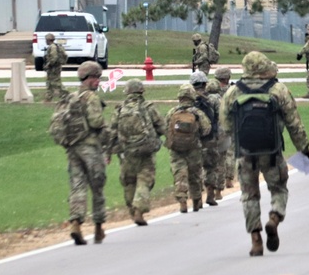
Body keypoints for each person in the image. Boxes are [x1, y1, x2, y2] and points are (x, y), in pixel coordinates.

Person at [221, 51, 309, 257]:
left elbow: (225, 127)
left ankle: (255, 240)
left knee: (249, 196)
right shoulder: (278, 89)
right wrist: (304, 149)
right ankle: (274, 218)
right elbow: (294, 124)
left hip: (244, 153)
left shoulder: (233, 93)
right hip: (272, 151)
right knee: (279, 188)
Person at [107, 79, 166, 226]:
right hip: (146, 151)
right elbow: (161, 126)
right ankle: (139, 208)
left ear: (127, 92)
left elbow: (112, 132)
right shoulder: (148, 107)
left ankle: (132, 210)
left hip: (126, 152)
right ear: (141, 91)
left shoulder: (119, 109)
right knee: (144, 180)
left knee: (129, 181)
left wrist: (107, 152)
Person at [66, 61, 108, 245]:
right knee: (97, 187)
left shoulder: (71, 97)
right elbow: (96, 122)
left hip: (73, 149)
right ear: (88, 78)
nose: (98, 81)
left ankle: (76, 223)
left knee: (77, 186)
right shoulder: (91, 98)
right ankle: (98, 228)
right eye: (96, 78)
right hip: (90, 148)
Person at [165, 83, 212, 214]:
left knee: (179, 174)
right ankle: (197, 201)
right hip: (194, 148)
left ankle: (182, 202)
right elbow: (207, 129)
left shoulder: (172, 112)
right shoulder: (197, 113)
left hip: (175, 149)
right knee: (195, 174)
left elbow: (165, 128)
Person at [190, 72, 223, 208]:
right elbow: (221, 117)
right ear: (205, 83)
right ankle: (210, 194)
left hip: (192, 140)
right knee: (211, 167)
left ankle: (196, 199)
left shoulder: (188, 98)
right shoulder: (214, 99)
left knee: (195, 169)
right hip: (210, 138)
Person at [213, 67, 236, 193]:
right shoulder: (232, 91)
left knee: (217, 154)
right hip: (230, 124)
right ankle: (229, 178)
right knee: (230, 153)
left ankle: (216, 179)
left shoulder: (212, 92)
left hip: (216, 126)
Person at [43, 33, 68, 103]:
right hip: (53, 67)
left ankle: (66, 95)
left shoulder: (52, 47)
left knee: (56, 83)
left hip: (54, 68)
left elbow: (54, 57)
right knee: (49, 83)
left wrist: (48, 65)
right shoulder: (54, 46)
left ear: (48, 40)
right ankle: (48, 98)